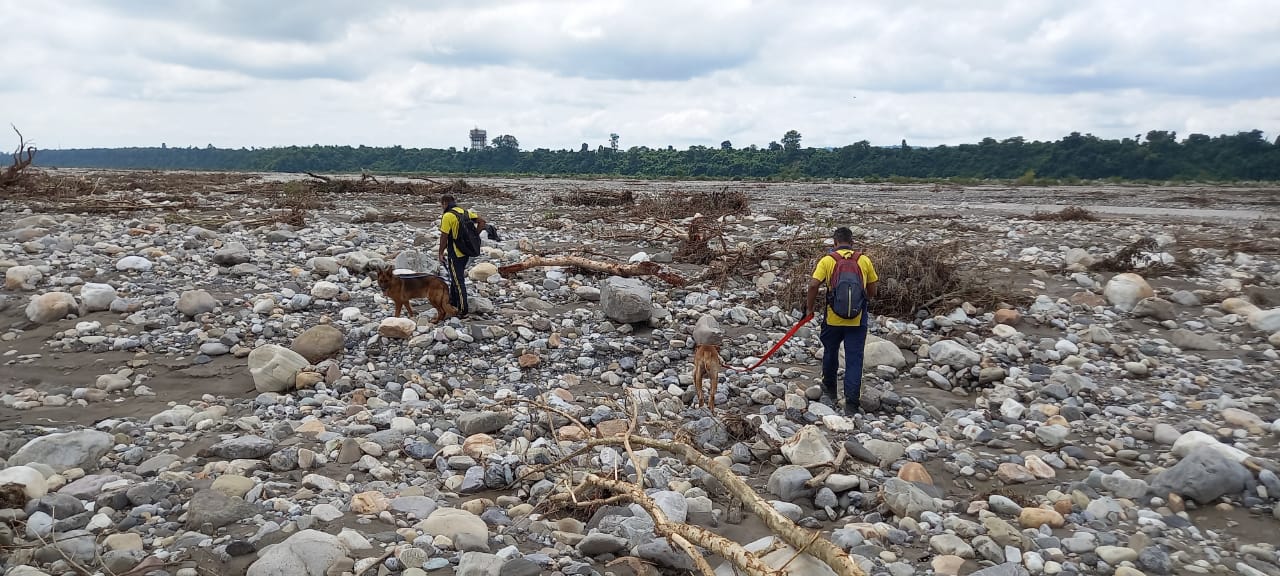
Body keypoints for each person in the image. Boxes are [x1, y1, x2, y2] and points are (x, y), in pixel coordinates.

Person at [805, 227, 879, 415]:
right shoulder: (864, 260)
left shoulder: (828, 260)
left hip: (833, 318)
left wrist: (809, 308)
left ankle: (830, 388)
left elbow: (813, 284)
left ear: (835, 242)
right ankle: (852, 404)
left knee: (830, 351)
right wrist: (864, 300)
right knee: (854, 359)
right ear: (852, 242)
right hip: (857, 319)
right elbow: (872, 290)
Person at [437, 194, 485, 318]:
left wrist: (440, 252)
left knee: (458, 281)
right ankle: (452, 301)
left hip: (455, 253)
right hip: (466, 252)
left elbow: (444, 237)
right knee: (455, 277)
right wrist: (475, 235)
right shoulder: (465, 212)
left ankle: (463, 310)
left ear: (444, 203)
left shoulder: (448, 216)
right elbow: (482, 221)